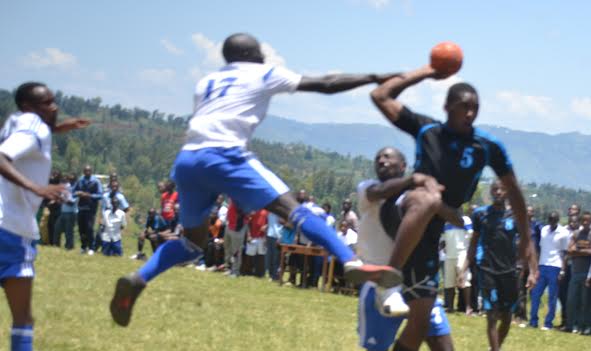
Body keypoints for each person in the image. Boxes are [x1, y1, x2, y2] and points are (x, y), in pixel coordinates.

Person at [108, 33, 400, 326]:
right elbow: (324, 85)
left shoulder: (206, 82)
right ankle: (350, 261)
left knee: (191, 243)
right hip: (226, 155)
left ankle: (139, 277)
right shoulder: (262, 72)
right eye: (260, 51)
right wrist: (374, 76)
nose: (264, 56)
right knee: (295, 210)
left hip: (188, 159)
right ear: (250, 54)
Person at [361, 64, 538, 351]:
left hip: (432, 230)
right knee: (428, 196)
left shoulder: (487, 147)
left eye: (474, 107)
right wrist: (425, 71)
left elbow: (516, 192)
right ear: (447, 106)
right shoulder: (426, 129)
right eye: (462, 106)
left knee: (421, 318)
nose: (469, 112)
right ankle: (388, 280)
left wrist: (527, 240)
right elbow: (381, 95)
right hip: (406, 210)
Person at [352, 146, 491, 351]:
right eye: (378, 158)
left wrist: (437, 200)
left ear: (403, 165)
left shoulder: (414, 198)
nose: (382, 161)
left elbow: (457, 218)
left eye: (389, 158)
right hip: (379, 285)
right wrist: (414, 181)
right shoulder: (368, 190)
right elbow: (381, 190)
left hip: (417, 285)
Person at [0, 82, 89, 351]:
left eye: (54, 101)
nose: (54, 107)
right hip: (12, 231)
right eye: (46, 103)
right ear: (29, 106)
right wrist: (38, 187)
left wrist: (61, 128)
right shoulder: (33, 127)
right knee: (23, 321)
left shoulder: (19, 121)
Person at [466, 181, 520, 351]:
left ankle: (495, 347)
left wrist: (530, 269)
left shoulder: (514, 215)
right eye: (494, 190)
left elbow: (526, 244)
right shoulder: (481, 214)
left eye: (501, 189)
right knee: (491, 315)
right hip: (487, 269)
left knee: (507, 317)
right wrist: (465, 267)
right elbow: (474, 241)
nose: (498, 192)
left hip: (509, 272)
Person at [529, 211, 570, 330]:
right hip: (542, 265)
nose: (552, 222)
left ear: (557, 220)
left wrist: (562, 270)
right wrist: (535, 267)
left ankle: (548, 323)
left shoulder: (564, 233)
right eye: (550, 220)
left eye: (554, 220)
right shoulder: (544, 230)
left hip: (555, 266)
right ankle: (533, 321)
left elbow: (565, 253)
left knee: (552, 296)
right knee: (535, 294)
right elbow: (539, 249)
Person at [565, 211, 591, 333]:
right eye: (583, 220)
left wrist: (577, 251)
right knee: (572, 300)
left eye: (588, 220)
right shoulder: (576, 233)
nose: (585, 222)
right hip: (575, 272)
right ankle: (570, 325)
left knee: (585, 301)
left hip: (588, 273)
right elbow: (569, 250)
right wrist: (584, 250)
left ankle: (584, 326)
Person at [441, 211, 473, 314]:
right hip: (449, 254)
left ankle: (468, 307)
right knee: (449, 282)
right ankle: (450, 307)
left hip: (462, 252)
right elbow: (443, 238)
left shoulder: (465, 220)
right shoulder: (446, 222)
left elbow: (471, 235)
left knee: (464, 279)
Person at [74, 164, 103, 254]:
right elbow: (73, 191)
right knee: (81, 229)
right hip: (81, 207)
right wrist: (78, 193)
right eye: (85, 171)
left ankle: (91, 247)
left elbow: (100, 195)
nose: (87, 172)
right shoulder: (80, 180)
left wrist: (89, 195)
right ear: (83, 171)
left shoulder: (95, 181)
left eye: (89, 171)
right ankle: (83, 247)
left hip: (91, 209)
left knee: (89, 228)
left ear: (91, 171)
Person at [53, 172, 77, 249]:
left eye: (71, 179)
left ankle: (69, 246)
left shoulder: (76, 189)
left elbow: (71, 203)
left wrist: (62, 199)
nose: (69, 181)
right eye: (69, 179)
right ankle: (56, 245)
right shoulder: (67, 187)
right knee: (57, 228)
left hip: (71, 213)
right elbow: (62, 198)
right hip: (63, 212)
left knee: (68, 231)